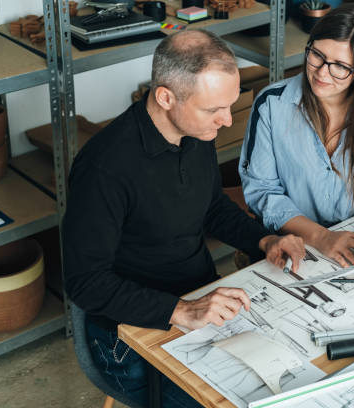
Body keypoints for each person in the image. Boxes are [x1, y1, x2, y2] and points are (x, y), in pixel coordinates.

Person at [62, 30, 305, 408]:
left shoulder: (195, 133)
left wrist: (264, 241)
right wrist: (180, 310)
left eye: (230, 104)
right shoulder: (104, 168)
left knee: (298, 376)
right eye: (213, 110)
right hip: (129, 336)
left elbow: (211, 207)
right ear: (165, 97)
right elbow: (85, 283)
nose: (227, 121)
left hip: (201, 301)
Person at [239, 3, 354, 274]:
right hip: (293, 245)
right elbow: (262, 191)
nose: (322, 73)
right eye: (317, 55)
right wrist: (321, 237)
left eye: (340, 66)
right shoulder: (271, 105)